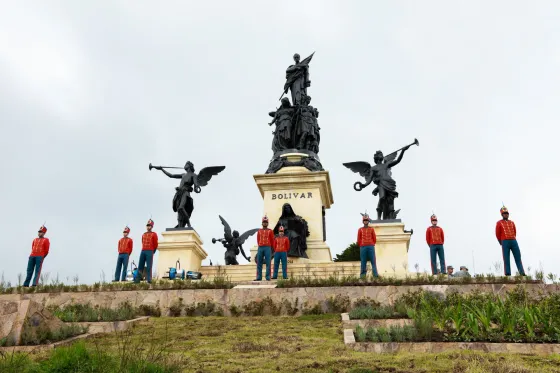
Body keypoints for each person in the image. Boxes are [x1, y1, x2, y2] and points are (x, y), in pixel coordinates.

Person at [496, 206, 526, 276]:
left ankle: (522, 272)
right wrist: (501, 242)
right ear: (502, 214)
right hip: (505, 241)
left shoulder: (512, 222)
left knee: (518, 256)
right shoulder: (499, 223)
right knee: (506, 258)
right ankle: (507, 273)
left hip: (513, 240)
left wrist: (513, 238)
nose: (506, 215)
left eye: (507, 213)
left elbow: (514, 231)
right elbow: (497, 233)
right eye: (504, 213)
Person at [255, 215, 274, 281]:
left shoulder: (270, 231)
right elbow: (258, 239)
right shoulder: (259, 231)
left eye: (266, 222)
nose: (265, 223)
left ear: (267, 223)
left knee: (268, 262)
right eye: (264, 222)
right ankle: (259, 277)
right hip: (260, 247)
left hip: (267, 247)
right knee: (259, 262)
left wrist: (271, 248)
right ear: (262, 223)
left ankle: (268, 276)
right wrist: (260, 245)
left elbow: (272, 240)